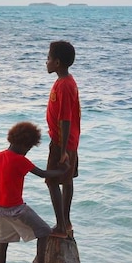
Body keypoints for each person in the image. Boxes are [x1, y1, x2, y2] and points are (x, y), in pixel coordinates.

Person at [0, 121, 66, 263]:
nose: (27, 151)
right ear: (22, 144)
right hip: (16, 209)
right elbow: (43, 173)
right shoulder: (21, 161)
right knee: (44, 231)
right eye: (28, 148)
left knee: (2, 243)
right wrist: (63, 170)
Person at [45, 40, 81, 238]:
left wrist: (64, 150)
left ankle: (61, 225)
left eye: (49, 58)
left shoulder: (65, 85)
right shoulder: (64, 81)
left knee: (52, 182)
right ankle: (65, 222)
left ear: (57, 62)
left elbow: (65, 119)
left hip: (62, 143)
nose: (46, 61)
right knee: (66, 181)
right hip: (67, 142)